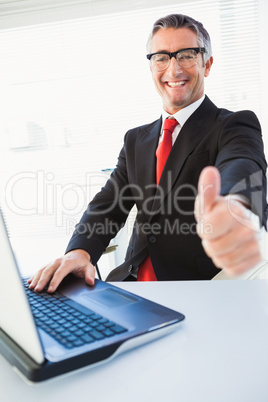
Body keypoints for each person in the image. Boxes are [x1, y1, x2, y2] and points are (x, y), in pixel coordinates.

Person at [28, 13, 267, 293]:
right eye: (161, 57)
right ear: (152, 66)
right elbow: (107, 206)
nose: (173, 69)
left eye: (187, 55)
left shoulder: (232, 125)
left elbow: (241, 163)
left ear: (207, 64)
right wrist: (79, 252)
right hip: (129, 288)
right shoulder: (135, 139)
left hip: (196, 291)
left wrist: (232, 205)